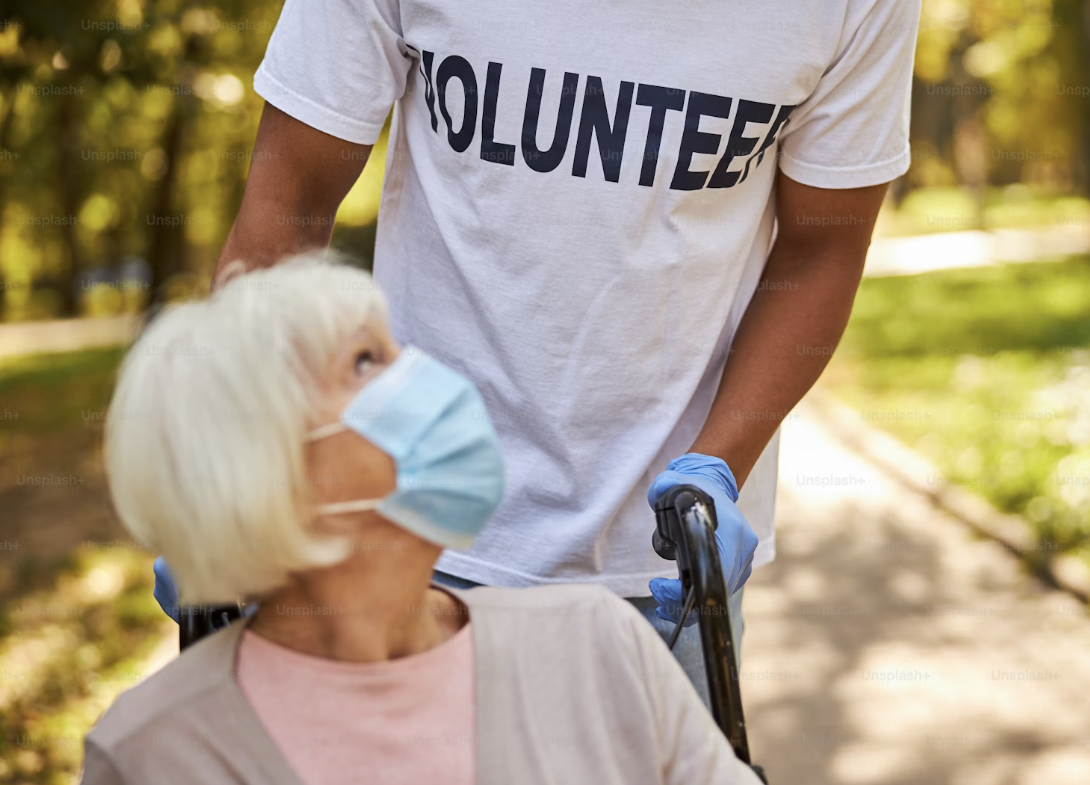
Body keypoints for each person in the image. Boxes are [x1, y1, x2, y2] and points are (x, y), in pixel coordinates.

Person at [160, 0, 923, 697]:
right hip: (391, 528)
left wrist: (719, 467)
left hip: (664, 579)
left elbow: (820, 250)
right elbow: (288, 206)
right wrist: (234, 461)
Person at [83, 255, 760, 785]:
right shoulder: (154, 753)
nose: (419, 376)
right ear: (262, 466)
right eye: (365, 360)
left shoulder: (597, 642)